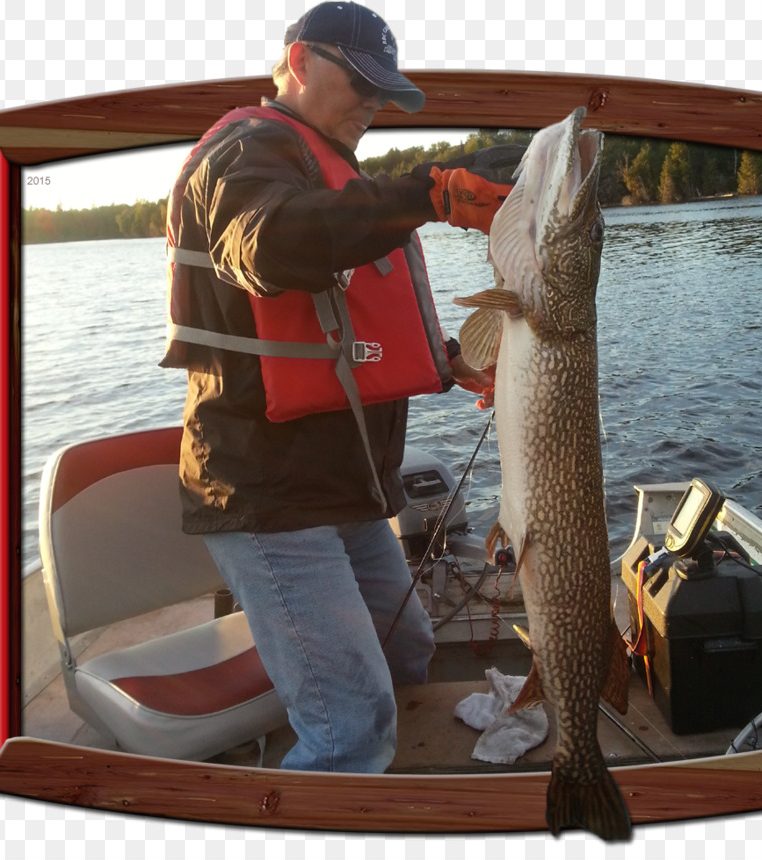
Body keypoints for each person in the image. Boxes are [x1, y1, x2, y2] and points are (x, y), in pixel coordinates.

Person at [161, 1, 521, 773]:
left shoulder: (334, 172)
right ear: (297, 62)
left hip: (344, 487)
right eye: (357, 80)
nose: (372, 103)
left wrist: (444, 357)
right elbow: (271, 245)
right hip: (268, 495)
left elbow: (349, 317)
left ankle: (385, 798)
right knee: (349, 720)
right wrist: (424, 193)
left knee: (408, 647)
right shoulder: (244, 155)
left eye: (382, 89)